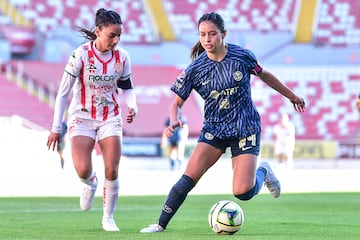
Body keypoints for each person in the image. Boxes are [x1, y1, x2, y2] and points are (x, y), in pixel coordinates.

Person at [140, 12, 305, 233]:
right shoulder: (195, 69)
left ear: (223, 34)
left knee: (243, 192)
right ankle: (160, 225)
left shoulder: (242, 56)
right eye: (202, 35)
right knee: (188, 178)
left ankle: (263, 171)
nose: (207, 39)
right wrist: (174, 120)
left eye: (212, 34)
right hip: (215, 130)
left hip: (245, 128)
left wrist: (291, 95)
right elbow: (176, 103)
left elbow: (265, 75)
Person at [47, 8, 138, 232]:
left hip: (110, 117)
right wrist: (56, 128)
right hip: (82, 118)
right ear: (98, 31)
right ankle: (90, 183)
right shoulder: (80, 55)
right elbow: (63, 93)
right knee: (82, 168)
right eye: (112, 35)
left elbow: (127, 87)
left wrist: (132, 105)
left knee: (112, 168)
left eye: (119, 36)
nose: (116, 40)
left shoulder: (122, 57)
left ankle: (108, 218)